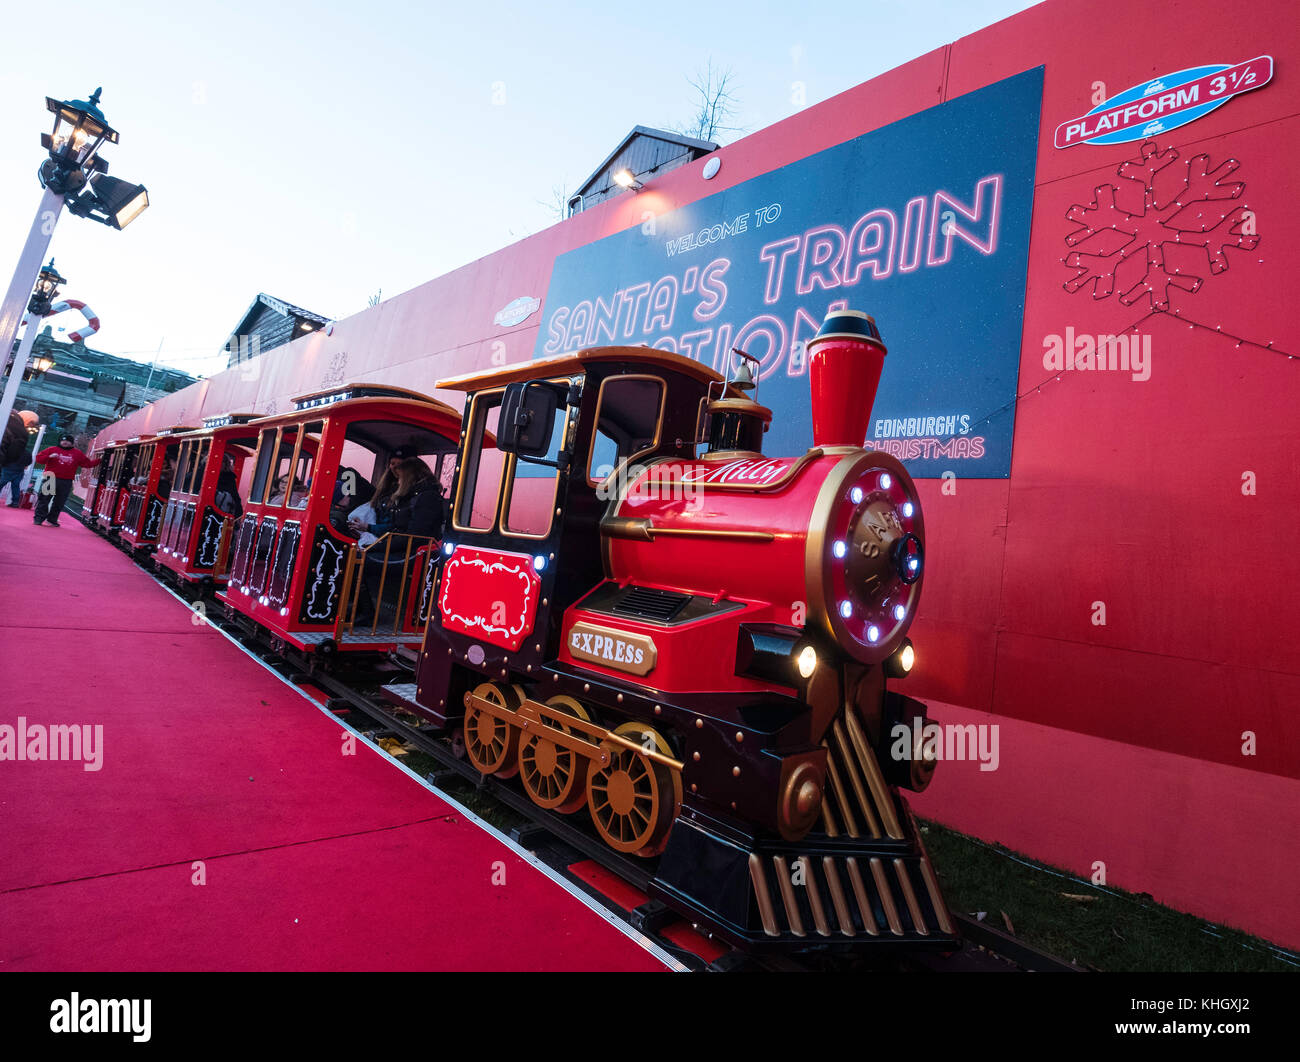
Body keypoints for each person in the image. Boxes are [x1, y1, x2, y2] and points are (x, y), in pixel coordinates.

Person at [353, 458, 446, 625]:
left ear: (409, 477)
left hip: (415, 554)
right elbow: (397, 529)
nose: (398, 481)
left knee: (359, 560)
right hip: (406, 548)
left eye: (401, 478)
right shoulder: (413, 497)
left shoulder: (426, 498)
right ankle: (363, 609)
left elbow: (414, 536)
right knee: (357, 554)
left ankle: (367, 612)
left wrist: (375, 547)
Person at [33, 433, 97, 527]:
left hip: (66, 481)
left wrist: (100, 461)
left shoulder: (77, 453)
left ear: (71, 443)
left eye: (67, 441)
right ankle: (38, 518)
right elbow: (39, 459)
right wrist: (49, 457)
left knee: (59, 502)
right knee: (44, 499)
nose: (64, 442)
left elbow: (87, 464)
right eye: (63, 440)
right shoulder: (52, 449)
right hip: (50, 478)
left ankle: (52, 519)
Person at [1, 410, 38, 507]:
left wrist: (5, 462)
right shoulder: (27, 453)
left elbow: (12, 453)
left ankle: (15, 502)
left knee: (1, 483)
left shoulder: (12, 428)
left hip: (9, 467)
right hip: (19, 470)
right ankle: (15, 502)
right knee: (15, 486)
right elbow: (29, 461)